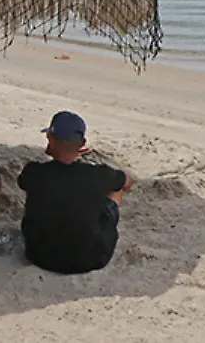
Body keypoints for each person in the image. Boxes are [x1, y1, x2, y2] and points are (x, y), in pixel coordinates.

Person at [17, 111, 136, 274]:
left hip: (38, 255)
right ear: (82, 144)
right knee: (115, 189)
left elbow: (23, 182)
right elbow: (127, 181)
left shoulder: (33, 172)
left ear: (50, 138)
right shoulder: (97, 175)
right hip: (91, 259)